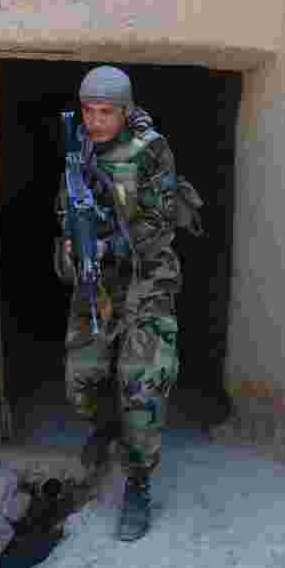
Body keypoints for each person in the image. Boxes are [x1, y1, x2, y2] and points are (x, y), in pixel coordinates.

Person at [55, 65, 192, 542]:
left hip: (146, 281)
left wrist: (113, 245)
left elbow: (162, 221)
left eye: (105, 112)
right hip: (97, 287)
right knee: (82, 382)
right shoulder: (78, 152)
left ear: (125, 110)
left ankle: (138, 482)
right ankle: (108, 428)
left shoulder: (149, 149)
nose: (95, 121)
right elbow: (67, 214)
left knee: (142, 385)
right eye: (88, 111)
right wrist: (73, 250)